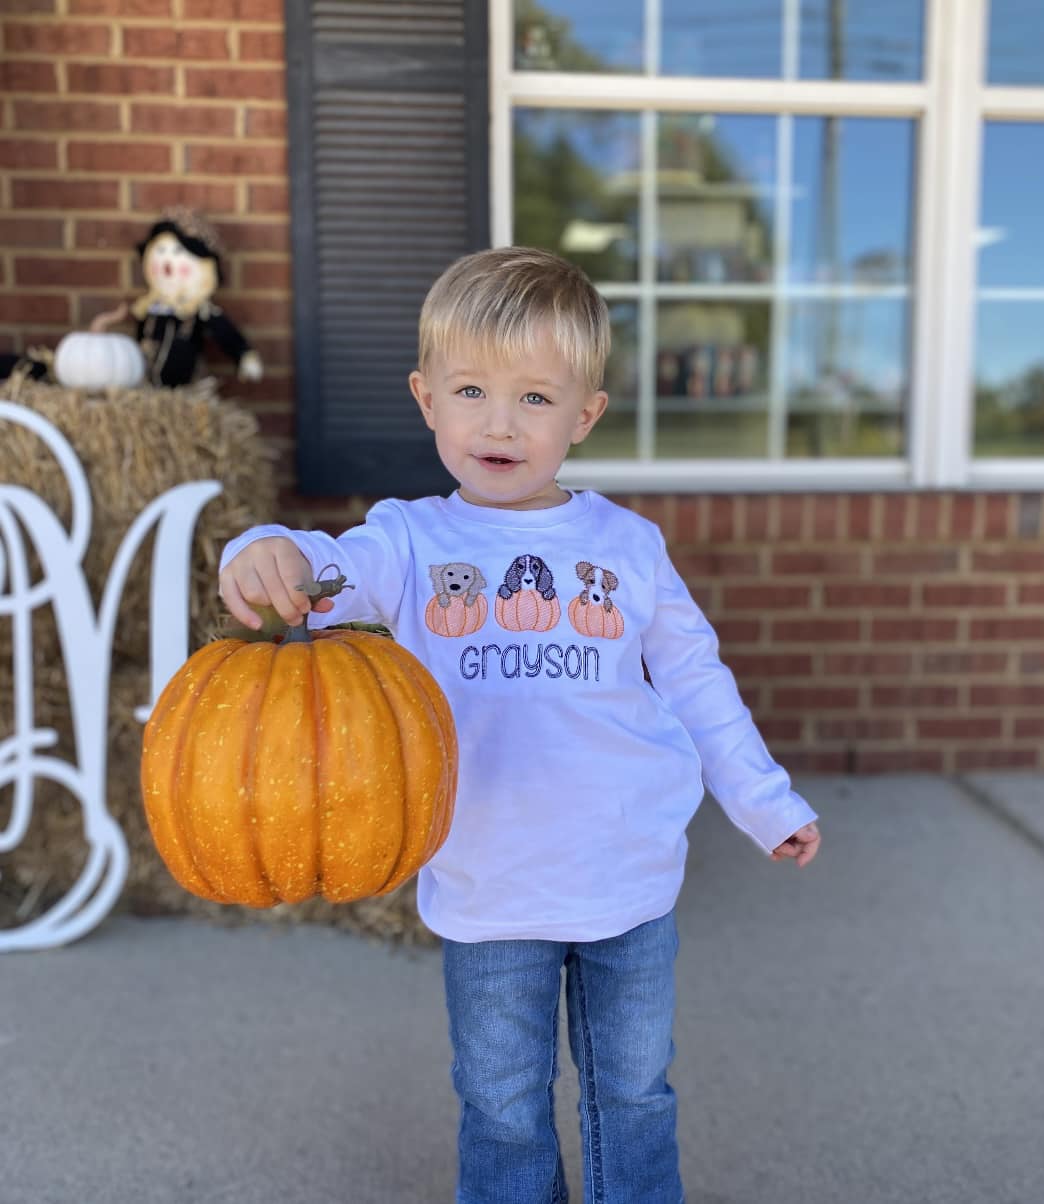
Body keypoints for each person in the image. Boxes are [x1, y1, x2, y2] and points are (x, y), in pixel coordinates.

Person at [218, 246, 821, 1204]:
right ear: (426, 399)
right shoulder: (410, 541)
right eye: (470, 389)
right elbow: (317, 567)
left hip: (628, 874)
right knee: (500, 1102)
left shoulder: (625, 545)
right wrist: (262, 550)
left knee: (634, 1093)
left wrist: (761, 798)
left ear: (585, 414)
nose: (499, 423)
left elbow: (696, 677)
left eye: (537, 399)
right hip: (487, 886)